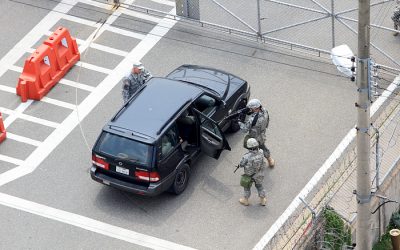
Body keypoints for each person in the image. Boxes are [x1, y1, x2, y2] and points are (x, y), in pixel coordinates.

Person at [239, 98, 275, 167]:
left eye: (251, 108)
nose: (250, 110)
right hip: (262, 133)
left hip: (255, 137)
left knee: (255, 149)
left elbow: (244, 129)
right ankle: (269, 160)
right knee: (262, 146)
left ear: (255, 108)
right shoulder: (265, 111)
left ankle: (264, 160)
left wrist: (239, 122)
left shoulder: (252, 119)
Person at [238, 138, 267, 206]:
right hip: (259, 174)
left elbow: (241, 164)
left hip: (249, 175)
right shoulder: (261, 152)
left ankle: (245, 200)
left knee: (247, 188)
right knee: (259, 186)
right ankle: (262, 200)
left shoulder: (246, 156)